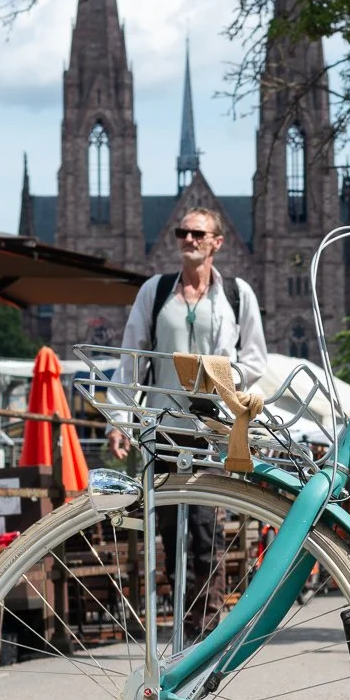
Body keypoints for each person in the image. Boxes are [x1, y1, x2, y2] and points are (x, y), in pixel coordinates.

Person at [107, 207, 268, 640]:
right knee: (169, 527)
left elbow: (256, 359)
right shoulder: (155, 291)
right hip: (162, 425)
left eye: (198, 233)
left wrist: (224, 377)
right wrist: (121, 420)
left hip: (212, 426)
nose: (188, 239)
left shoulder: (236, 294)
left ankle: (208, 621)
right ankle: (182, 616)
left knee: (205, 526)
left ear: (217, 241)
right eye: (183, 232)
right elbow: (132, 355)